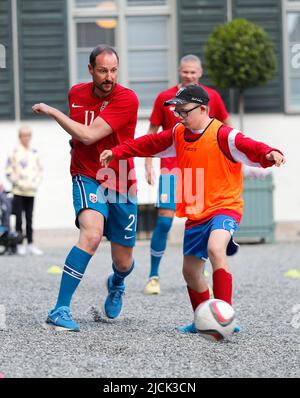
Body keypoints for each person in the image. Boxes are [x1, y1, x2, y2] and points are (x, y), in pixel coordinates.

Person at [100, 84, 285, 334]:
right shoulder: (178, 133)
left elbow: (251, 146)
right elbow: (149, 143)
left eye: (184, 111)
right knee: (190, 271)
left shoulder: (224, 135)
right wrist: (117, 151)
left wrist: (270, 152)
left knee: (215, 248)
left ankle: (224, 318)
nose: (179, 116)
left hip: (225, 206)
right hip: (196, 210)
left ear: (203, 109)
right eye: (177, 112)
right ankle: (203, 321)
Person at [32, 44, 139, 332]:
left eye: (114, 70)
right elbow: (80, 138)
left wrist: (53, 112)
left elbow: (89, 135)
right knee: (91, 235)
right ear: (90, 69)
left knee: (124, 262)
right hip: (87, 174)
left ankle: (116, 284)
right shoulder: (76, 93)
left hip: (121, 181)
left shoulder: (127, 99)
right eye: (103, 70)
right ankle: (60, 309)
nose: (109, 77)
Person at [144, 54, 231, 295]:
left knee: (201, 222)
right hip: (171, 168)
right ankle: (153, 275)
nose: (189, 75)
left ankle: (199, 272)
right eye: (185, 72)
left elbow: (225, 126)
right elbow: (152, 132)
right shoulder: (165, 97)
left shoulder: (211, 97)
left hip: (200, 171)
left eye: (193, 72)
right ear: (179, 72)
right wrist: (148, 164)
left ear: (200, 73)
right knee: (164, 221)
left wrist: (229, 157)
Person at [5, 126, 43, 256]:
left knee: (29, 218)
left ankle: (31, 243)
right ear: (19, 137)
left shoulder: (34, 152)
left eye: (28, 135)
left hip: (31, 191)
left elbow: (39, 170)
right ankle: (20, 244)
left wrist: (35, 183)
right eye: (23, 135)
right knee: (19, 219)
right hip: (18, 191)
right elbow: (8, 170)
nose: (26, 138)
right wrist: (17, 182)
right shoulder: (14, 152)